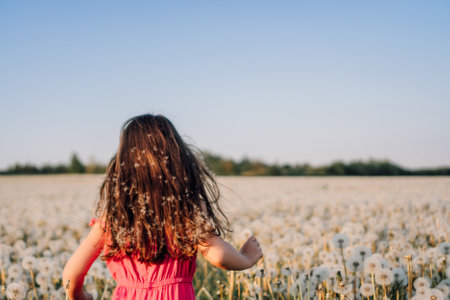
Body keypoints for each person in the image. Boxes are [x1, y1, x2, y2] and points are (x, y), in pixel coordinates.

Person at [63, 114, 263, 300]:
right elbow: (218, 255)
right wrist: (245, 258)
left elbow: (72, 273)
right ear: (178, 159)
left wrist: (79, 296)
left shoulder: (114, 216)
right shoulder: (186, 209)